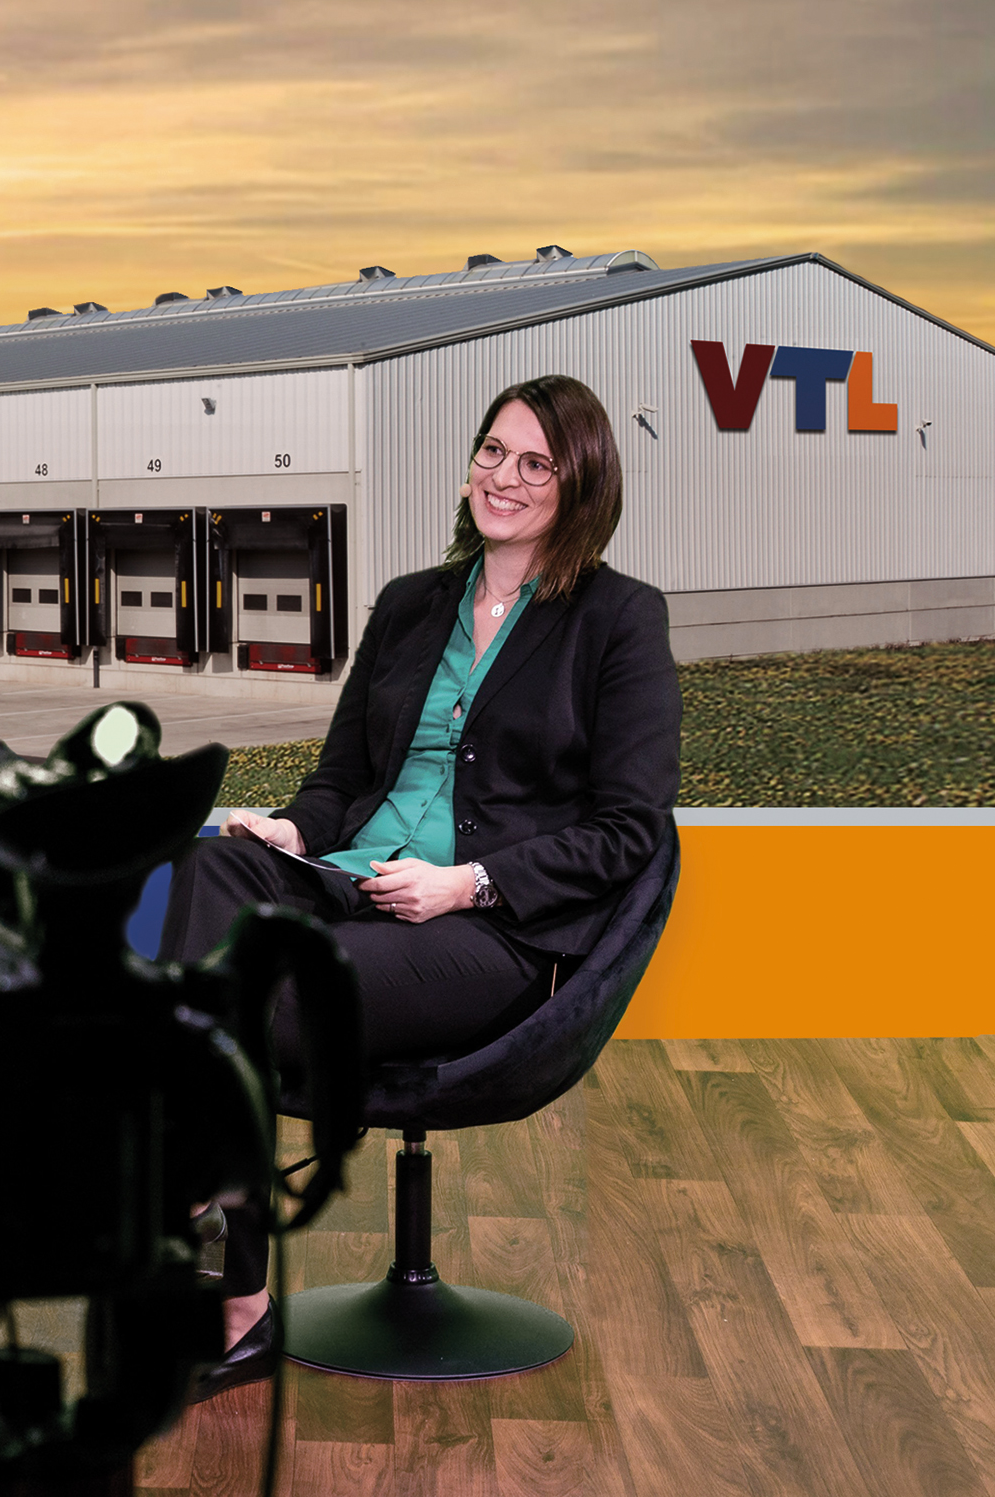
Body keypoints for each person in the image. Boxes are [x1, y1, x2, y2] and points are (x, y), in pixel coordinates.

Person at [160, 374, 680, 1400]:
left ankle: (211, 1272)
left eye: (536, 462)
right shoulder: (409, 603)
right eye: (493, 451)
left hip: (490, 930)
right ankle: (214, 1255)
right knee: (209, 864)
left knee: (238, 998)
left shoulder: (619, 618)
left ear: (581, 484)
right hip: (348, 879)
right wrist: (292, 828)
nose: (505, 476)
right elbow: (342, 779)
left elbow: (630, 830)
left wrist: (468, 883)